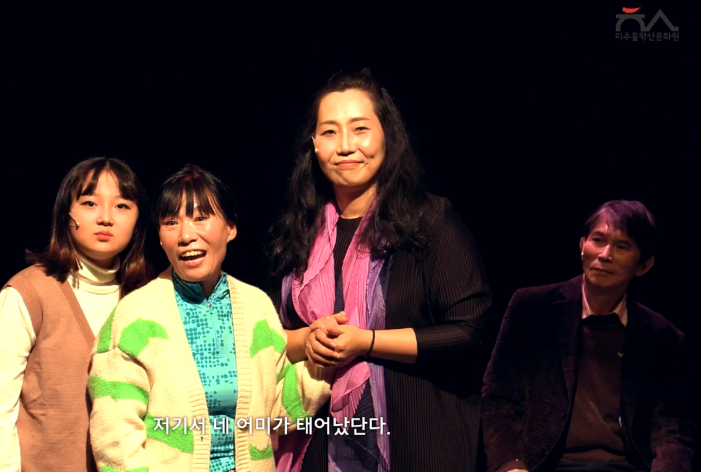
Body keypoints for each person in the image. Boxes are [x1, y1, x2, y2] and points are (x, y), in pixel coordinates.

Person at [269, 69, 492, 472]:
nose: (345, 145)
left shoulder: (429, 220)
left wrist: (367, 341)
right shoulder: (300, 231)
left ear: (386, 136)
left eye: (360, 129)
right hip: (316, 443)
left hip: (416, 442)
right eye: (330, 132)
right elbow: (266, 338)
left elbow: (470, 333)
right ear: (314, 145)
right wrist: (307, 340)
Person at [88, 164, 331, 472]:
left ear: (231, 228)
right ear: (160, 237)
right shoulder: (134, 315)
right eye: (171, 222)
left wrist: (326, 360)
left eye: (201, 217)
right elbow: (114, 436)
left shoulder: (256, 306)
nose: (186, 235)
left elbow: (277, 410)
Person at [482, 200, 696, 472]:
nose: (605, 255)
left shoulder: (662, 336)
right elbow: (500, 397)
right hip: (547, 465)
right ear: (582, 245)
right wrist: (510, 465)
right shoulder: (533, 307)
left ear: (643, 265)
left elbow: (673, 429)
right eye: (598, 240)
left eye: (622, 246)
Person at [0, 157, 153, 472]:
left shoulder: (147, 299)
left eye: (122, 206)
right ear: (66, 213)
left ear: (138, 221)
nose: (105, 218)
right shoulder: (28, 294)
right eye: (90, 203)